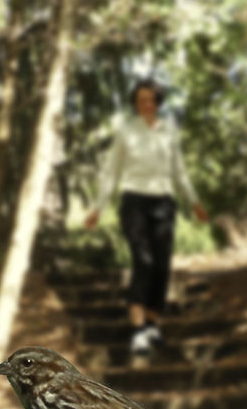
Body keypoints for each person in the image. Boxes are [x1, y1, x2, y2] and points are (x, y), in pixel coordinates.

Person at [85, 78, 209, 357]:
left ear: (158, 102)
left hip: (164, 202)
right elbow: (111, 172)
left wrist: (194, 202)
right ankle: (137, 331)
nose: (147, 104)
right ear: (135, 102)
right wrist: (97, 207)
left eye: (151, 99)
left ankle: (152, 324)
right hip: (134, 202)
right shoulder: (125, 131)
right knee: (143, 261)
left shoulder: (169, 130)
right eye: (141, 99)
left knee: (162, 266)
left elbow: (179, 171)